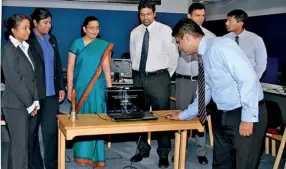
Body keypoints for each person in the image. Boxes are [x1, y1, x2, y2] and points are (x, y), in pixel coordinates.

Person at [166, 18, 267, 169]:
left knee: (243, 163)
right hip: (221, 114)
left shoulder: (221, 46)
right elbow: (205, 91)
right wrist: (183, 115)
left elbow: (247, 79)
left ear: (186, 37)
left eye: (178, 42)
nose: (179, 47)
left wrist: (248, 118)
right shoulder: (204, 55)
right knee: (221, 162)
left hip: (242, 113)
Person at [129, 0, 179, 167]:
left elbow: (174, 57)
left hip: (159, 78)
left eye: (148, 14)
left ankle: (163, 153)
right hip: (139, 78)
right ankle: (142, 149)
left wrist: (164, 76)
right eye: (142, 14)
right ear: (139, 15)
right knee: (139, 115)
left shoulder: (165, 31)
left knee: (163, 117)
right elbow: (133, 56)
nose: (145, 18)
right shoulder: (135, 32)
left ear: (154, 13)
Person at [67, 16, 113, 167]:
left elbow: (106, 68)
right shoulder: (77, 44)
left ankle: (97, 156)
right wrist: (69, 87)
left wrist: (110, 87)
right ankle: (81, 154)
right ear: (84, 28)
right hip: (80, 88)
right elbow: (71, 68)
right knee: (82, 119)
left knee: (97, 118)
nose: (94, 30)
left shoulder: (102, 45)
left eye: (97, 28)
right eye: (91, 27)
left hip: (98, 88)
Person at [175, 3, 215, 165]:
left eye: (203, 15)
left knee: (200, 116)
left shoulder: (210, 37)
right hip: (183, 80)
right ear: (189, 16)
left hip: (203, 82)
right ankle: (179, 149)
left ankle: (201, 151)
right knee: (180, 115)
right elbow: (172, 57)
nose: (201, 19)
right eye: (197, 15)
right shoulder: (180, 34)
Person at [27, 8, 65, 169]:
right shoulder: (27, 40)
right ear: (35, 22)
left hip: (51, 95)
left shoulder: (52, 40)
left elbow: (57, 65)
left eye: (50, 22)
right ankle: (34, 166)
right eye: (45, 22)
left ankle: (52, 165)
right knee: (32, 134)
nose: (49, 26)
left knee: (50, 133)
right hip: (34, 95)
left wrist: (61, 87)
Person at [1, 14, 40, 169]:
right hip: (15, 106)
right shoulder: (9, 50)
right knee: (20, 150)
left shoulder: (25, 48)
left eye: (29, 27)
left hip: (26, 103)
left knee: (18, 147)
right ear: (13, 30)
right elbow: (15, 81)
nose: (29, 31)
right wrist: (30, 103)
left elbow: (32, 77)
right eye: (24, 28)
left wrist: (35, 100)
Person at [224, 9, 267, 79]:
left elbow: (261, 63)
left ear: (240, 23)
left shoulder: (256, 39)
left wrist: (253, 79)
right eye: (227, 20)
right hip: (228, 80)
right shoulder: (224, 39)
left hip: (248, 78)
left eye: (230, 21)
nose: (226, 23)